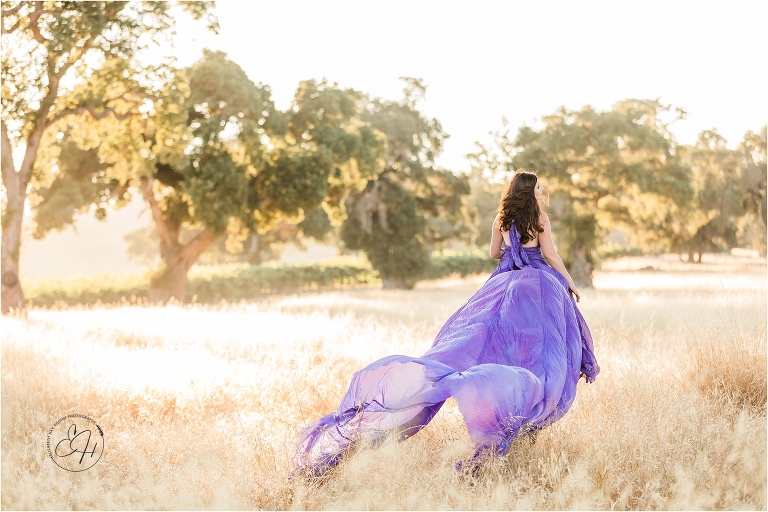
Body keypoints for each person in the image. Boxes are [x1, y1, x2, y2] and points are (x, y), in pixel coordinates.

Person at [292, 169, 600, 477]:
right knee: (541, 352)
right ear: (531, 190)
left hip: (504, 284)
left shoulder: (502, 219)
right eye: (538, 185)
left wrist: (510, 249)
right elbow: (550, 254)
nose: (542, 188)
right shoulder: (541, 219)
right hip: (537, 286)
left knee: (490, 340)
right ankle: (526, 413)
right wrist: (568, 282)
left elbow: (494, 253)